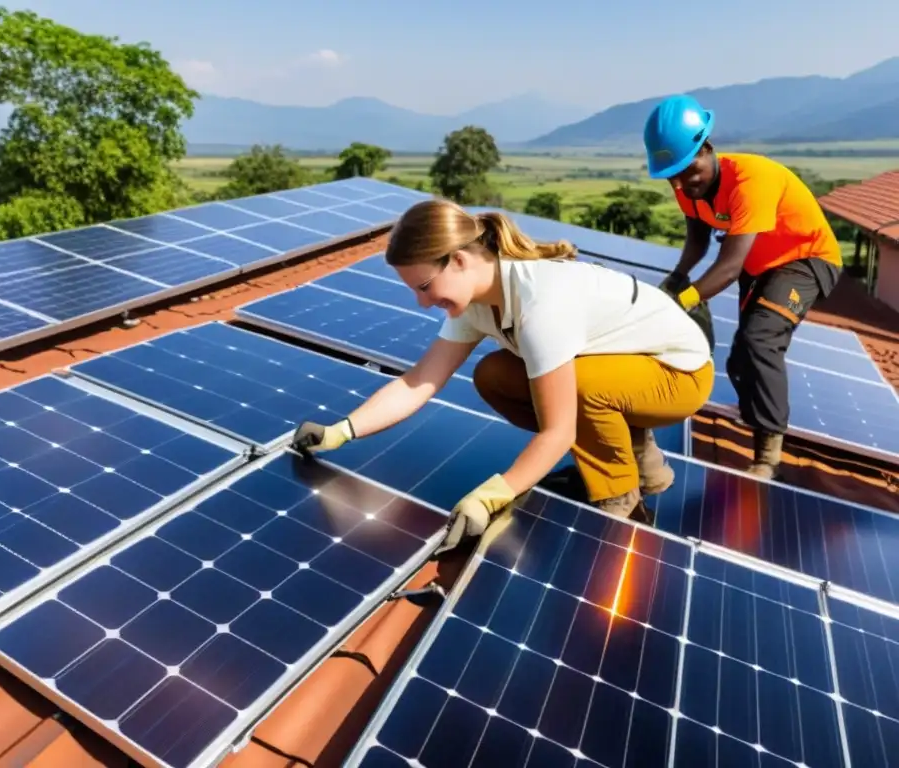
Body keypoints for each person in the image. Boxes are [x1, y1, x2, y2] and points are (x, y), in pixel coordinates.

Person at [290, 198, 714, 552]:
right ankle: (632, 455)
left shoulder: (540, 303)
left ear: (458, 260)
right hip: (622, 369)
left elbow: (558, 430)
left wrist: (493, 494)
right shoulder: (477, 301)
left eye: (423, 286)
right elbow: (419, 381)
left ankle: (624, 502)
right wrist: (341, 432)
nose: (421, 303)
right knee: (494, 374)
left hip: (679, 372)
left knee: (577, 387)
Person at [643, 94, 843, 479]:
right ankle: (756, 417)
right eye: (673, 176)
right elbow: (698, 241)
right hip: (760, 264)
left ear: (708, 148)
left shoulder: (751, 179)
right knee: (740, 360)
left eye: (689, 170)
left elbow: (730, 265)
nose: (683, 183)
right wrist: (675, 279)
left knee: (760, 341)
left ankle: (768, 457)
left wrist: (682, 301)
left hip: (805, 259)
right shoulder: (685, 186)